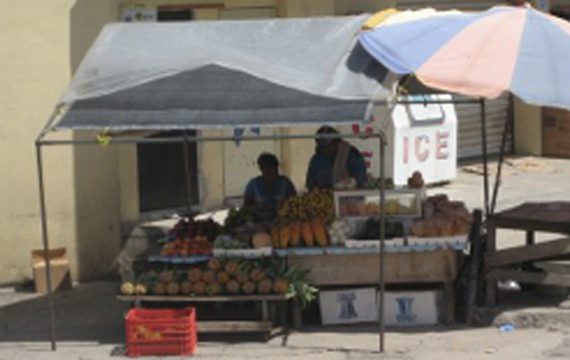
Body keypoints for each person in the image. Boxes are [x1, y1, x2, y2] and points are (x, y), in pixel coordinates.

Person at [243, 153, 296, 222]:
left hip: (283, 223)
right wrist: (257, 207)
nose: (269, 173)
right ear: (261, 170)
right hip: (260, 224)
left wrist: (285, 206)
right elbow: (246, 207)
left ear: (277, 168)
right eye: (266, 170)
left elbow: (295, 203)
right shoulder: (254, 184)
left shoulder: (286, 183)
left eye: (272, 169)